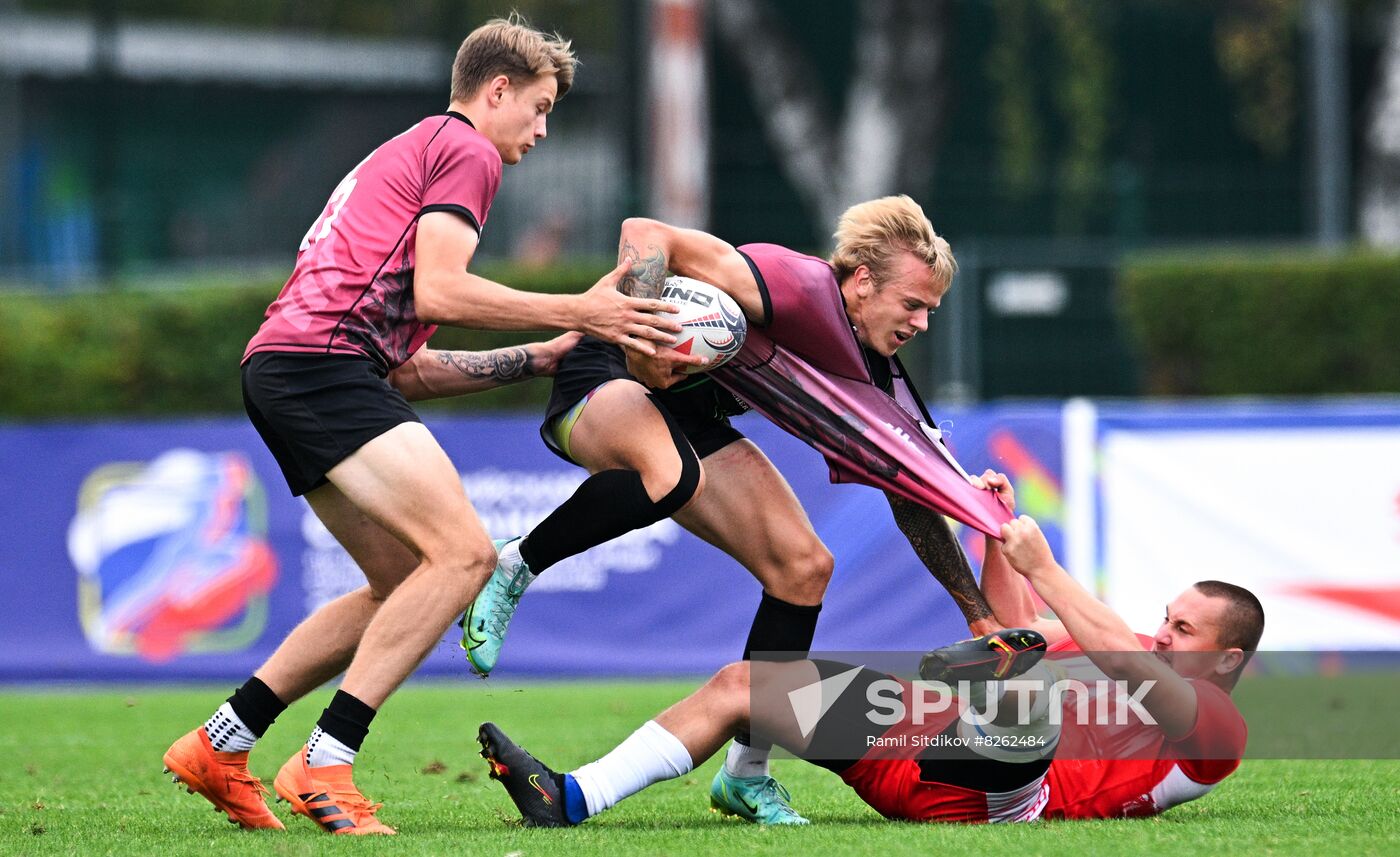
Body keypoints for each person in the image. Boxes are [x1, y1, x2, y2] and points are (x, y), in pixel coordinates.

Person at [160, 16, 683, 836]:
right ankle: (325, 762)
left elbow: (405, 367)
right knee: (466, 554)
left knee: (402, 579)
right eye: (538, 108)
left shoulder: (410, 153)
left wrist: (539, 356)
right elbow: (442, 291)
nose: (542, 131)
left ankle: (221, 744)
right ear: (497, 90)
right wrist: (579, 303)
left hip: (287, 366)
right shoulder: (467, 149)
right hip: (321, 368)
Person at [460, 196, 1009, 824]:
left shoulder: (877, 378)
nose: (922, 323)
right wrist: (642, 343)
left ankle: (747, 774)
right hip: (608, 372)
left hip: (687, 413)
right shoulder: (794, 285)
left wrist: (979, 616)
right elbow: (644, 232)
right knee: (669, 474)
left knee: (803, 568)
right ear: (861, 282)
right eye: (913, 304)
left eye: (931, 310)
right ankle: (514, 566)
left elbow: (906, 492)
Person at [478, 473, 1264, 827]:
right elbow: (1008, 637)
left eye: (1185, 631)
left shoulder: (1217, 732)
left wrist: (1045, 566)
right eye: (1168, 616)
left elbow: (1116, 664)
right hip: (920, 750)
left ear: (1227, 662)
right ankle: (572, 796)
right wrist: (997, 535)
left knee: (1030, 700)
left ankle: (965, 701)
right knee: (742, 681)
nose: (1162, 634)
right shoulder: (1123, 644)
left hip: (1006, 797)